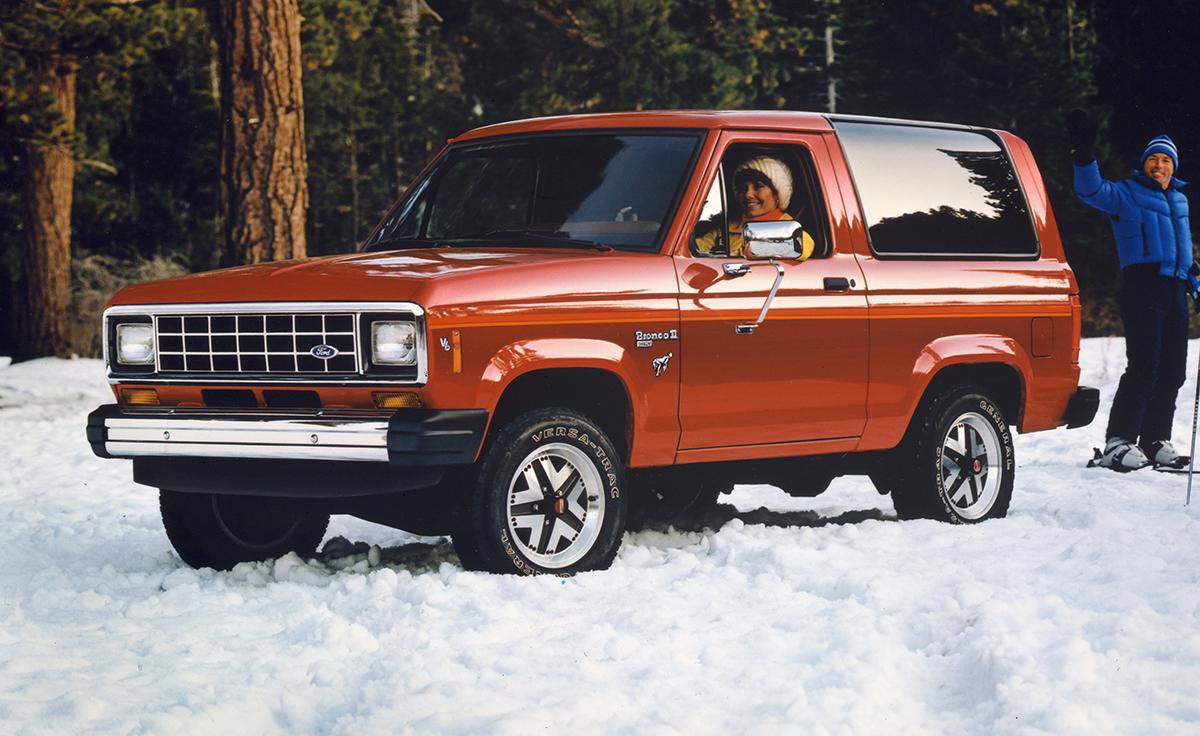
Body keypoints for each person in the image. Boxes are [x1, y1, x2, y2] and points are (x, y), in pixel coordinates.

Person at [1068, 109, 1197, 471]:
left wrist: (1193, 275)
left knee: (1174, 371)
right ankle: (1119, 442)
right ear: (1145, 164)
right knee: (1144, 367)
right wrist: (1083, 151)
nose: (1160, 165)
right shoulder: (1125, 194)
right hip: (1143, 287)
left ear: (1174, 165)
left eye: (1166, 159)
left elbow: (1180, 245)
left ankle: (1155, 439)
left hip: (1175, 289)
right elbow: (1090, 190)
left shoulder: (1180, 201)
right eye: (1154, 159)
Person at [696, 155, 814, 259]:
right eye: (743, 188)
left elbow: (805, 247)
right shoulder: (725, 230)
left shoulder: (787, 226)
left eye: (758, 187)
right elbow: (696, 247)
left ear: (777, 194)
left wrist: (756, 250)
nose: (748, 194)